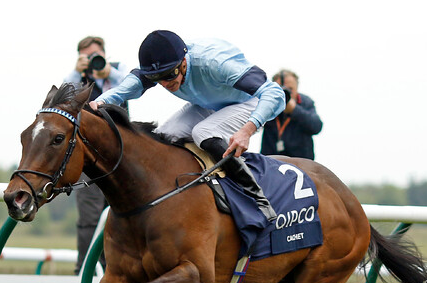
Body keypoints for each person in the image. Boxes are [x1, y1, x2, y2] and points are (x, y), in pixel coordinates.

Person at [91, 30, 287, 222]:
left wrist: (247, 130)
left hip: (249, 103)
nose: (165, 84)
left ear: (183, 63)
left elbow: (274, 93)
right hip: (210, 104)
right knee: (164, 136)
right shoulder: (164, 67)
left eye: (169, 76)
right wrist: (99, 102)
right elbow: (128, 87)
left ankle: (257, 198)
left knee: (203, 132)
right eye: (156, 80)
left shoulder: (215, 62)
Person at [64, 36, 129, 274]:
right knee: (90, 219)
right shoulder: (78, 79)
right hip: (87, 159)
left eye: (96, 55)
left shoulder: (119, 74)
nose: (93, 61)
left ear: (105, 54)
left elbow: (132, 86)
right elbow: (64, 96)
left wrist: (107, 72)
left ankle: (120, 270)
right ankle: (85, 271)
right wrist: (76, 71)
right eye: (87, 57)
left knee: (124, 215)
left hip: (120, 159)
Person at [260, 69, 323, 159]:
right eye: (280, 90)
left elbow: (316, 127)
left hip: (301, 162)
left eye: (290, 89)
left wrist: (294, 110)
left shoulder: (305, 102)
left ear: (297, 88)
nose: (285, 93)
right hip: (271, 161)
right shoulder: (269, 104)